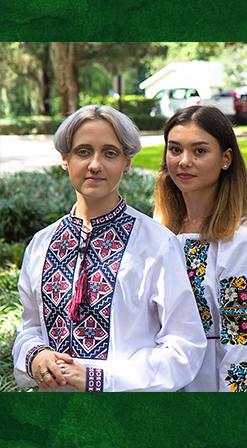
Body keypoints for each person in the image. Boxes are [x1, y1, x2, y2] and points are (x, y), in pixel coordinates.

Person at [13, 105, 207, 392]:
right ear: (64, 159)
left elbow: (184, 346)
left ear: (127, 162)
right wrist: (35, 356)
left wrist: (100, 379)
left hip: (129, 419)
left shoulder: (156, 244)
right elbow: (30, 327)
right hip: (55, 419)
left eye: (110, 153)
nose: (94, 164)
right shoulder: (42, 244)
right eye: (83, 152)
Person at [154, 105, 247, 392]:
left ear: (226, 158)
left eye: (199, 151)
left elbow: (245, 340)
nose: (184, 161)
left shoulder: (238, 239)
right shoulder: (157, 232)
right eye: (175, 149)